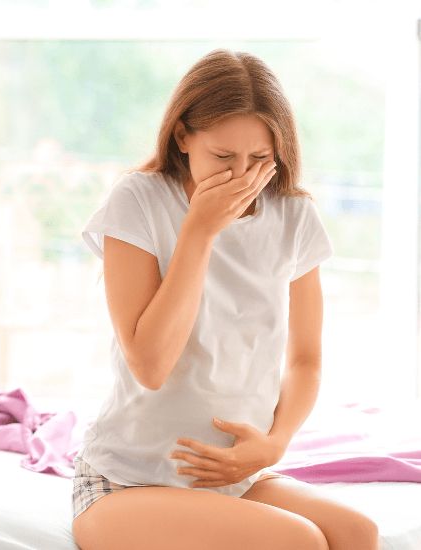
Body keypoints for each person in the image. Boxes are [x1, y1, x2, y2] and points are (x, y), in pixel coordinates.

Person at [71, 48, 380, 550]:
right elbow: (150, 364)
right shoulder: (138, 200)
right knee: (297, 541)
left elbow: (305, 359)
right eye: (222, 157)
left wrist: (274, 444)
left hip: (232, 480)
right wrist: (199, 230)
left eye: (259, 159)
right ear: (182, 136)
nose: (241, 176)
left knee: (357, 534)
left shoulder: (294, 216)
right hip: (129, 480)